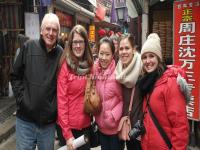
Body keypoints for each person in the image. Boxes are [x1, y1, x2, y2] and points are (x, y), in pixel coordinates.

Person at [10, 13, 63, 150]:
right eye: (47, 29)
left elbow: (64, 84)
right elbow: (15, 75)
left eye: (54, 30)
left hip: (48, 124)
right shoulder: (28, 47)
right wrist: (22, 100)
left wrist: (55, 108)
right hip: (25, 121)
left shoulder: (61, 54)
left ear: (58, 33)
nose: (50, 33)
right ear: (41, 30)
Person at [130, 33, 189, 150]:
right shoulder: (147, 82)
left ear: (158, 58)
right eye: (144, 57)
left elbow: (180, 125)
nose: (147, 61)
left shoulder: (170, 83)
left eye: (151, 56)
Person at [57, 25, 93, 150]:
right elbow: (61, 102)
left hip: (86, 126)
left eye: (81, 42)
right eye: (75, 42)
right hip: (69, 129)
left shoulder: (90, 65)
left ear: (85, 43)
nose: (78, 46)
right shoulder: (65, 67)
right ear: (70, 44)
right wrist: (67, 135)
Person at [94, 37, 123, 150]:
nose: (104, 58)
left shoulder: (118, 74)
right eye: (101, 54)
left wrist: (112, 115)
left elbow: (123, 99)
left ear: (112, 55)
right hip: (101, 128)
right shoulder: (96, 72)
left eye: (107, 54)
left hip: (115, 130)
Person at [115, 33, 142, 150]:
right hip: (126, 125)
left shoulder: (142, 69)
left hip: (140, 128)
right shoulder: (118, 70)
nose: (124, 52)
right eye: (121, 49)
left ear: (133, 50)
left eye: (127, 48)